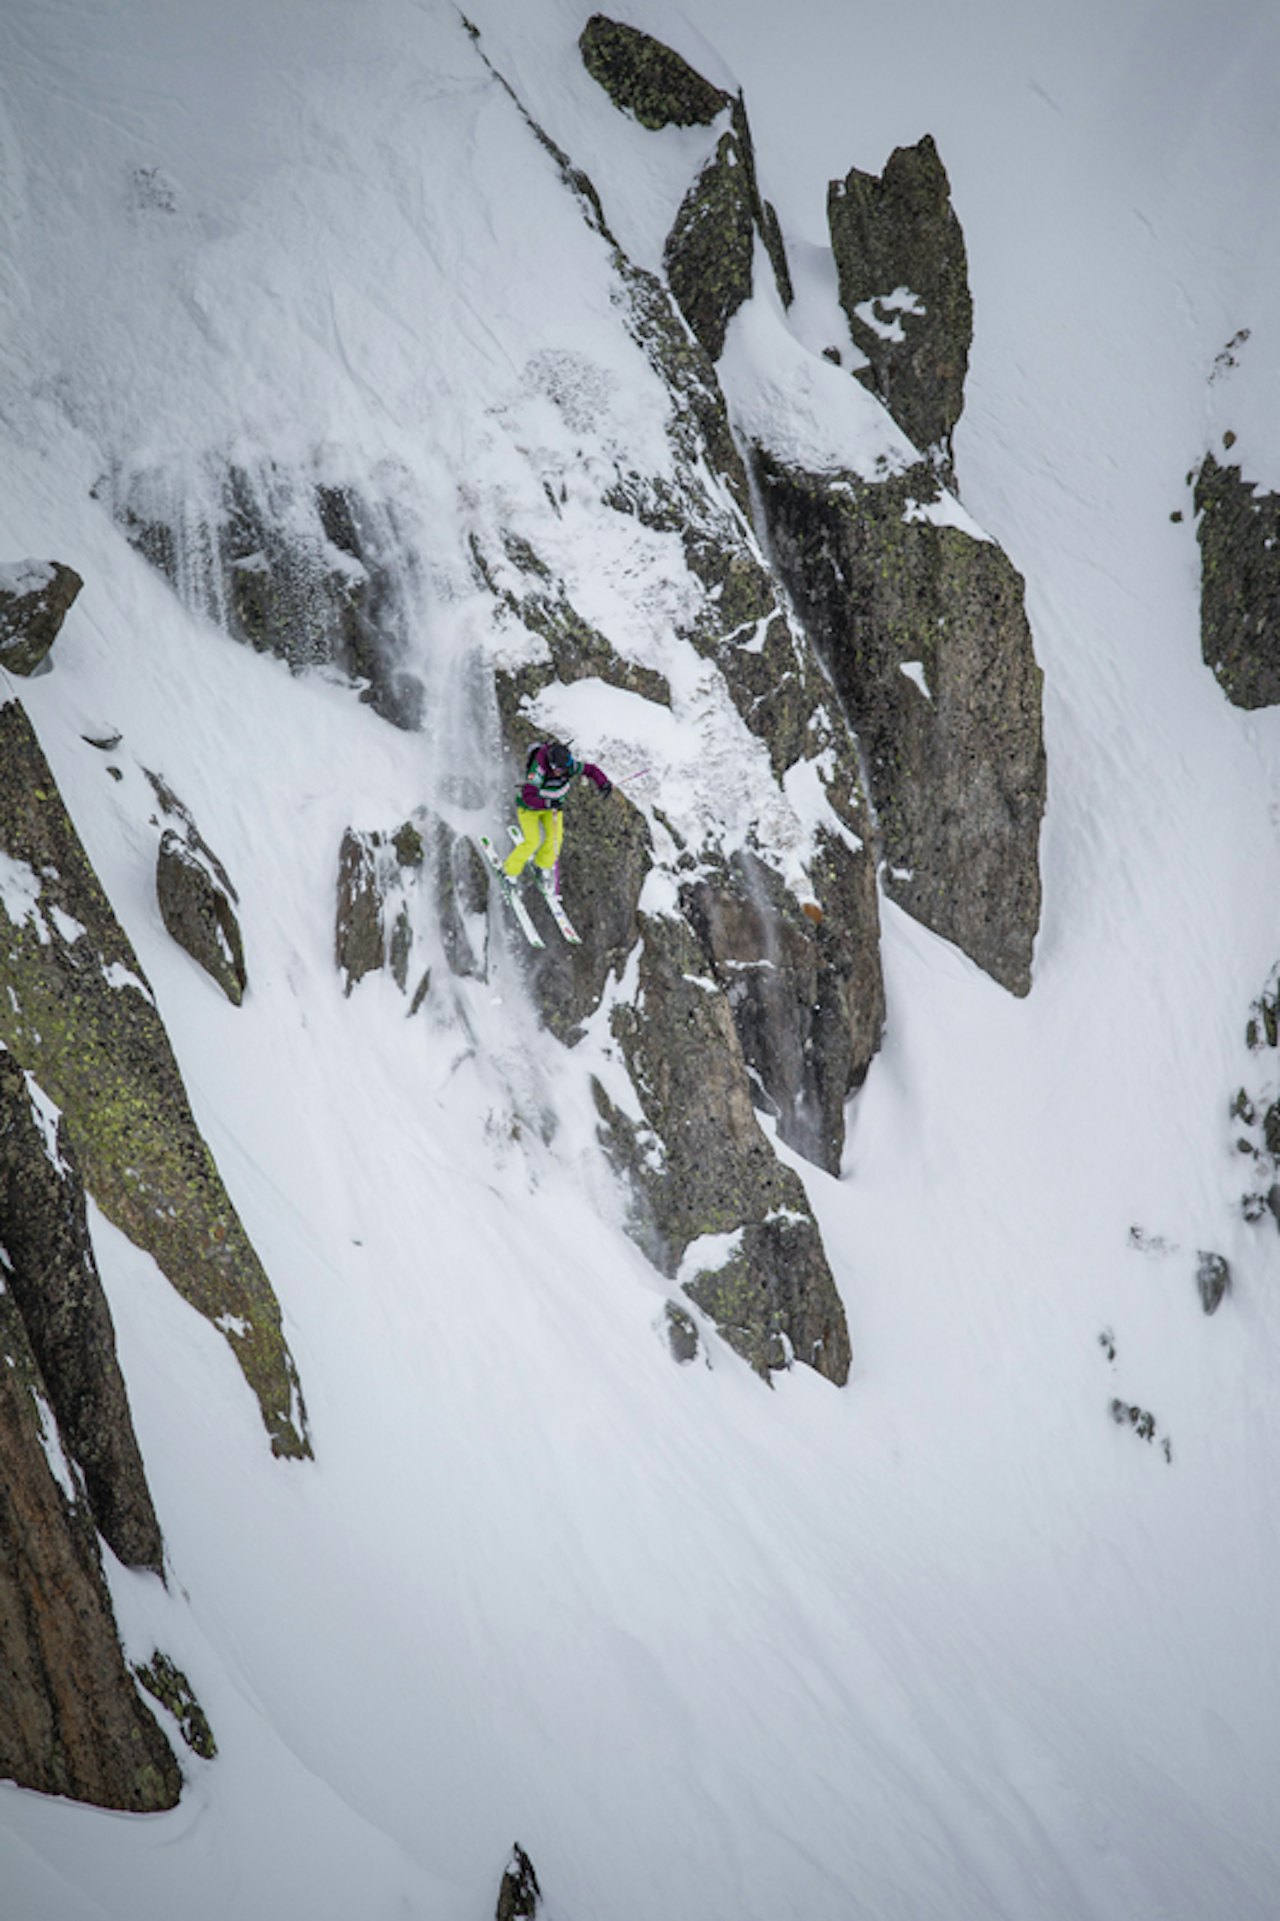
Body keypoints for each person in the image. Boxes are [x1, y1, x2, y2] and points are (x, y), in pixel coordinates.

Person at [502, 739, 612, 890]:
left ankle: (542, 865)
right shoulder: (538, 771)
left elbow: (590, 770)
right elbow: (528, 796)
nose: (562, 773)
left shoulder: (568, 765)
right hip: (529, 809)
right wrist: (547, 803)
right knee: (532, 842)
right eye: (559, 770)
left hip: (552, 809)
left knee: (555, 840)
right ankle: (509, 871)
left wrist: (603, 783)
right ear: (551, 765)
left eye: (563, 769)